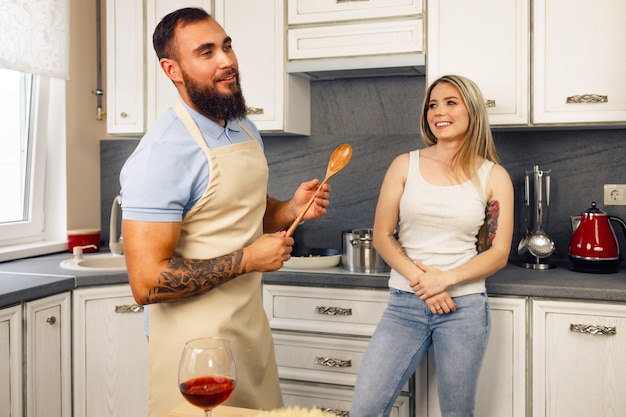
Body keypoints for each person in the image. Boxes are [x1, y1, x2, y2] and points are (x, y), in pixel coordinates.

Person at [119, 8, 331, 417]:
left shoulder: (243, 127)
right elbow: (146, 283)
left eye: (227, 45)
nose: (226, 60)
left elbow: (246, 212)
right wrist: (248, 259)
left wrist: (289, 210)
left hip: (248, 332)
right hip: (193, 350)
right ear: (173, 70)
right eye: (206, 52)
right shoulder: (161, 155)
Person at [350, 75, 514, 417]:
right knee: (366, 409)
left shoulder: (493, 175)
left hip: (464, 308)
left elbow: (498, 253)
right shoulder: (404, 164)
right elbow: (382, 235)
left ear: (472, 111)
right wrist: (427, 283)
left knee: (457, 413)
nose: (438, 111)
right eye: (432, 104)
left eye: (451, 102)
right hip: (404, 305)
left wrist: (446, 280)